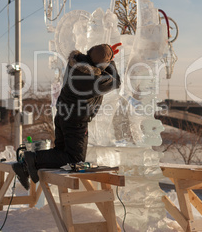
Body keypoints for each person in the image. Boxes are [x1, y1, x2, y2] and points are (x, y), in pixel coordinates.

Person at [13, 43, 122, 190]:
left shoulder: (77, 64)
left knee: (61, 153)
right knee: (75, 159)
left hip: (63, 115)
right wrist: (111, 62)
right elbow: (115, 81)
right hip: (75, 120)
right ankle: (32, 158)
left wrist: (105, 58)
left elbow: (99, 68)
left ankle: (25, 166)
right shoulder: (90, 80)